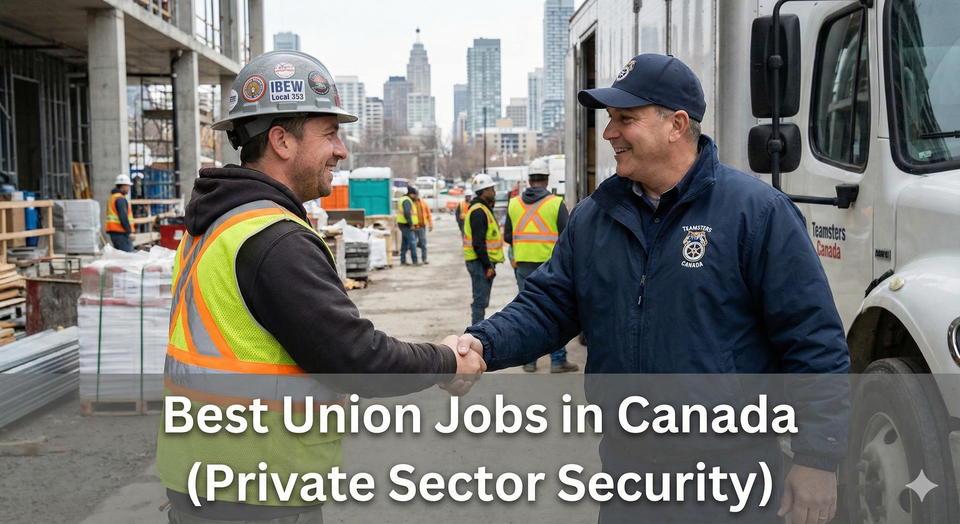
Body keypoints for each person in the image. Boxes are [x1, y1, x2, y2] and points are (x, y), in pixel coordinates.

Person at [457, 53, 850, 523]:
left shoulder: (756, 213)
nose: (609, 133)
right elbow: (547, 307)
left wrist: (818, 457)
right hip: (628, 474)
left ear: (676, 125)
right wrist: (481, 344)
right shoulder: (594, 218)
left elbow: (813, 339)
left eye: (626, 119)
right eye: (609, 119)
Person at [155, 50, 485, 524]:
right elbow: (355, 358)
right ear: (281, 141)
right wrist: (445, 359)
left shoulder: (216, 223)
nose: (341, 150)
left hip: (205, 480)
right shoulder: (274, 239)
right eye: (329, 133)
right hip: (256, 492)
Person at [504, 159, 577, 373]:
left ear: (529, 180)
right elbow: (568, 236)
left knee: (527, 311)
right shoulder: (556, 203)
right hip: (550, 265)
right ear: (547, 180)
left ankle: (530, 361)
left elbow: (508, 236)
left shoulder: (514, 203)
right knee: (556, 310)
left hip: (523, 264)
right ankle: (558, 360)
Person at [463, 173, 503, 325]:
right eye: (492, 189)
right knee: (480, 302)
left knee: (482, 301)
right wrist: (488, 266)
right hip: (479, 262)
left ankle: (476, 332)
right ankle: (475, 334)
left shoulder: (482, 209)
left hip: (480, 261)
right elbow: (478, 243)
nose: (494, 192)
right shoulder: (479, 212)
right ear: (485, 192)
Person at [105, 173, 135, 252]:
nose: (129, 188)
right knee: (129, 256)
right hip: (122, 233)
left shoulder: (112, 198)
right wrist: (130, 232)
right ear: (123, 186)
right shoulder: (120, 199)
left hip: (114, 233)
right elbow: (123, 217)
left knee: (120, 257)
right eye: (128, 186)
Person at [397, 185, 421, 265]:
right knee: (412, 242)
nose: (415, 197)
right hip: (406, 225)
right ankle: (415, 260)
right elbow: (407, 213)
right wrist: (411, 225)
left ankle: (403, 260)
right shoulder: (407, 201)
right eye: (414, 195)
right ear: (411, 194)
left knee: (405, 243)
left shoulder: (405, 199)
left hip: (403, 224)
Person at [415, 190, 433, 264]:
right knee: (412, 244)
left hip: (421, 226)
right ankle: (415, 260)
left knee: (423, 243)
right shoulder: (410, 203)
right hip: (413, 226)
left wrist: (430, 224)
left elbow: (428, 214)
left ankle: (424, 258)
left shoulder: (423, 203)